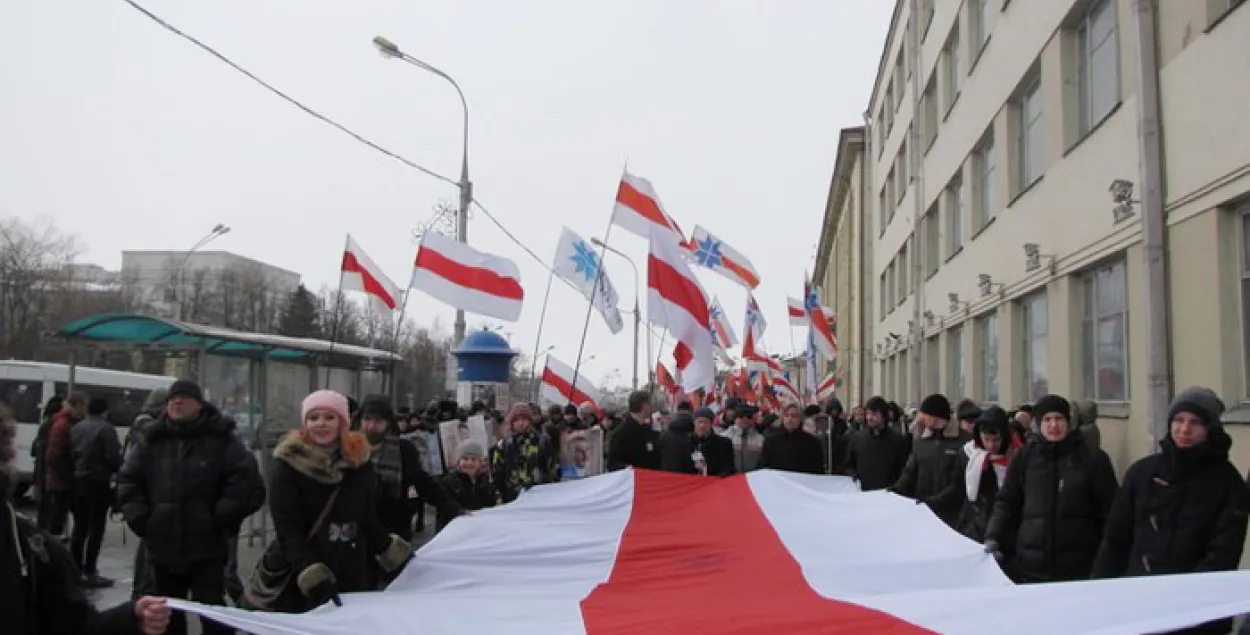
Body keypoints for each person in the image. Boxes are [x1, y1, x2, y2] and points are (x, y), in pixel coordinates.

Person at [2, 401, 174, 635]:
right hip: (89, 486)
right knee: (89, 528)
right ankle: (88, 567)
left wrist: (130, 618)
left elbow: (75, 625)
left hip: (80, 487)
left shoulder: (34, 551)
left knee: (86, 528)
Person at [1091, 388, 1250, 635]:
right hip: (1136, 604)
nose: (1184, 429)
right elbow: (1115, 541)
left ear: (1210, 428)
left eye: (1195, 422)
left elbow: (1222, 556)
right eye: (1178, 420)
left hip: (1196, 615)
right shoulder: (1142, 473)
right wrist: (1099, 594)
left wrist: (1179, 600)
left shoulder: (1228, 485)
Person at [117, 379, 266, 635]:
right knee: (167, 614)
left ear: (198, 404)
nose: (176, 402)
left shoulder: (222, 440)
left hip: (207, 547)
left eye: (183, 398)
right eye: (172, 399)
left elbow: (247, 484)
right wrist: (141, 518)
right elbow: (128, 480)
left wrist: (220, 518)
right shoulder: (152, 439)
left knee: (213, 613)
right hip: (162, 545)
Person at [266, 390, 412, 612]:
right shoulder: (288, 465)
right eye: (313, 418)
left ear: (343, 421)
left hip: (353, 571)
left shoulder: (360, 464)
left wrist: (395, 554)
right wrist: (311, 573)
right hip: (305, 575)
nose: (321, 424)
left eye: (329, 417)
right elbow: (288, 530)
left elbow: (367, 519)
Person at [984, 394, 1119, 583]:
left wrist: (1106, 561)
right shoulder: (1024, 458)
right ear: (1038, 424)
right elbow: (1006, 502)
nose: (1053, 425)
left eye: (1059, 419)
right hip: (1030, 568)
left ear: (1069, 423)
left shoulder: (1093, 460)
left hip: (1079, 569)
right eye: (1047, 419)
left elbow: (1110, 513)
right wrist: (993, 535)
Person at [357, 397, 460, 543]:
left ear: (388, 423)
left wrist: (452, 508)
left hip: (394, 532)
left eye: (378, 421)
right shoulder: (348, 450)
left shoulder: (403, 450)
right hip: (358, 534)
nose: (372, 426)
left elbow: (422, 482)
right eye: (367, 419)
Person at [891, 394, 969, 528]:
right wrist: (894, 491)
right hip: (923, 512)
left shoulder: (964, 442)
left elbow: (959, 484)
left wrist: (934, 502)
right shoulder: (921, 442)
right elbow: (909, 473)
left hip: (953, 517)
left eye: (924, 414)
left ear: (936, 416)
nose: (920, 418)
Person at [69, 395, 123, 587]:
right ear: (105, 411)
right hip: (98, 482)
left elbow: (70, 453)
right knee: (96, 528)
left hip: (78, 480)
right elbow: (113, 458)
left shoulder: (77, 427)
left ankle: (75, 567)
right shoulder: (106, 429)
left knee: (79, 526)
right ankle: (90, 569)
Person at [955, 406, 1013, 541]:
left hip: (1006, 531)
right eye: (986, 440)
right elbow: (957, 489)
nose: (991, 445)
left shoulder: (1017, 457)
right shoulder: (968, 454)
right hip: (973, 527)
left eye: (996, 440)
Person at [490, 403, 558, 502]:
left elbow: (551, 469)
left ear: (530, 421)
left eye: (524, 419)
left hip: (538, 497)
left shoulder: (541, 442)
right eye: (517, 420)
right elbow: (497, 475)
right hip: (512, 498)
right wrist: (499, 500)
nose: (521, 423)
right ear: (512, 423)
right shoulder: (503, 445)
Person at [42, 393, 86, 537]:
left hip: (62, 480)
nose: (85, 410)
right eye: (83, 406)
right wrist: (69, 476)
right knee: (56, 522)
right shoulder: (62, 425)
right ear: (76, 406)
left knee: (62, 519)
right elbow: (53, 456)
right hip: (60, 482)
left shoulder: (70, 423)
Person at [846, 396, 909, 491]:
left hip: (886, 495)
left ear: (884, 415)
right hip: (862, 494)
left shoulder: (897, 440)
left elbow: (903, 470)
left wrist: (895, 488)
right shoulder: (858, 438)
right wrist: (854, 477)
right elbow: (849, 465)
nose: (869, 418)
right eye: (867, 413)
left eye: (874, 414)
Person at [757, 403, 824, 474]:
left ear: (800, 419)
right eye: (787, 415)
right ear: (782, 418)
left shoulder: (812, 442)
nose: (790, 419)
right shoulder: (771, 441)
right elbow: (763, 466)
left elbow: (818, 469)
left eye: (794, 416)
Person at [607, 391, 659, 471]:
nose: (652, 407)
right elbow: (612, 464)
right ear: (644, 406)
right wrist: (630, 469)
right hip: (633, 481)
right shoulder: (621, 433)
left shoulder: (648, 429)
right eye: (650, 404)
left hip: (650, 479)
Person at [719, 404, 765, 473]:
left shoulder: (761, 439)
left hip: (752, 480)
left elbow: (763, 463)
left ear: (753, 419)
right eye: (741, 416)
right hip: (730, 479)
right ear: (735, 418)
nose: (745, 419)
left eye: (749, 417)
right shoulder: (724, 437)